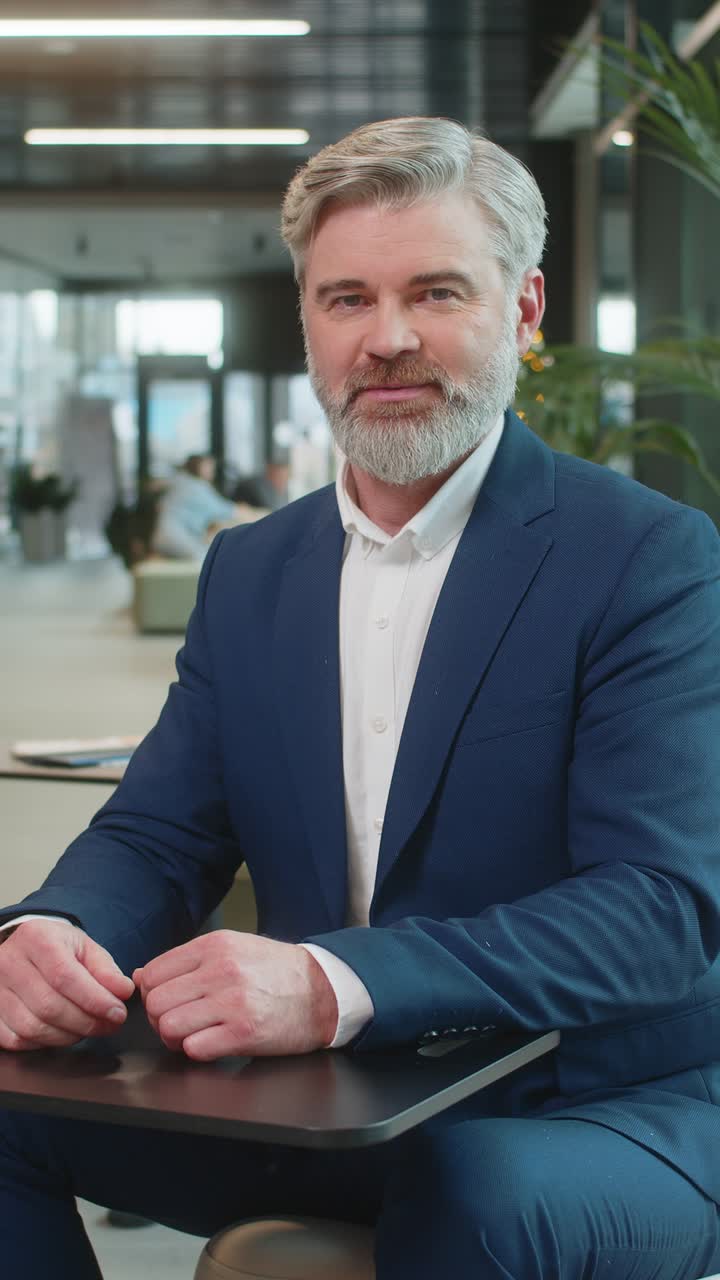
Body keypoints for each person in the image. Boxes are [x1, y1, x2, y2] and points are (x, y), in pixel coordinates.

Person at [0, 116, 719, 1279]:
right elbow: (158, 829)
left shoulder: (648, 557)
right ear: (308, 322)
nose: (387, 339)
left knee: (471, 1189)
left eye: (437, 292)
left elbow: (659, 909)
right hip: (325, 1107)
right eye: (346, 300)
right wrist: (56, 931)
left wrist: (335, 980)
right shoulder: (252, 570)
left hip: (591, 1110)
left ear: (525, 311)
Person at [151, 453, 247, 560]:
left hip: (162, 537)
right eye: (209, 467)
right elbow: (227, 510)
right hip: (175, 539)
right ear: (199, 467)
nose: (212, 471)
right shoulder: (197, 487)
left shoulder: (180, 480)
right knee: (208, 559)